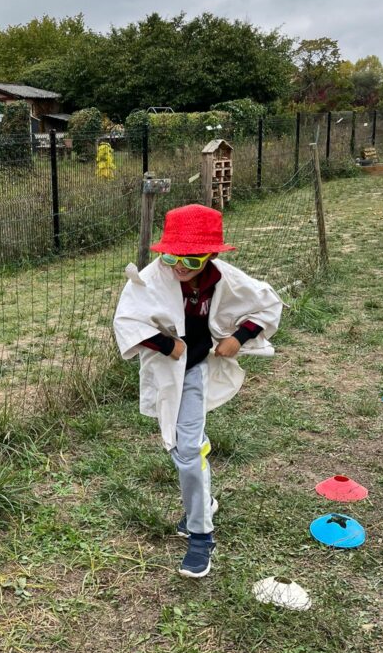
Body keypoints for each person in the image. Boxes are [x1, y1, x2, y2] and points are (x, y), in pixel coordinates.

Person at [113, 203, 282, 579]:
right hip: (171, 368)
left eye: (189, 260)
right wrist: (168, 345)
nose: (178, 266)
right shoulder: (152, 278)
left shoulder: (225, 278)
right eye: (171, 257)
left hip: (198, 368)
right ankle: (202, 502)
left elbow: (267, 305)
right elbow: (127, 319)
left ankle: (201, 535)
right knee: (182, 447)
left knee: (188, 451)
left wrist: (238, 338)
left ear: (210, 257)